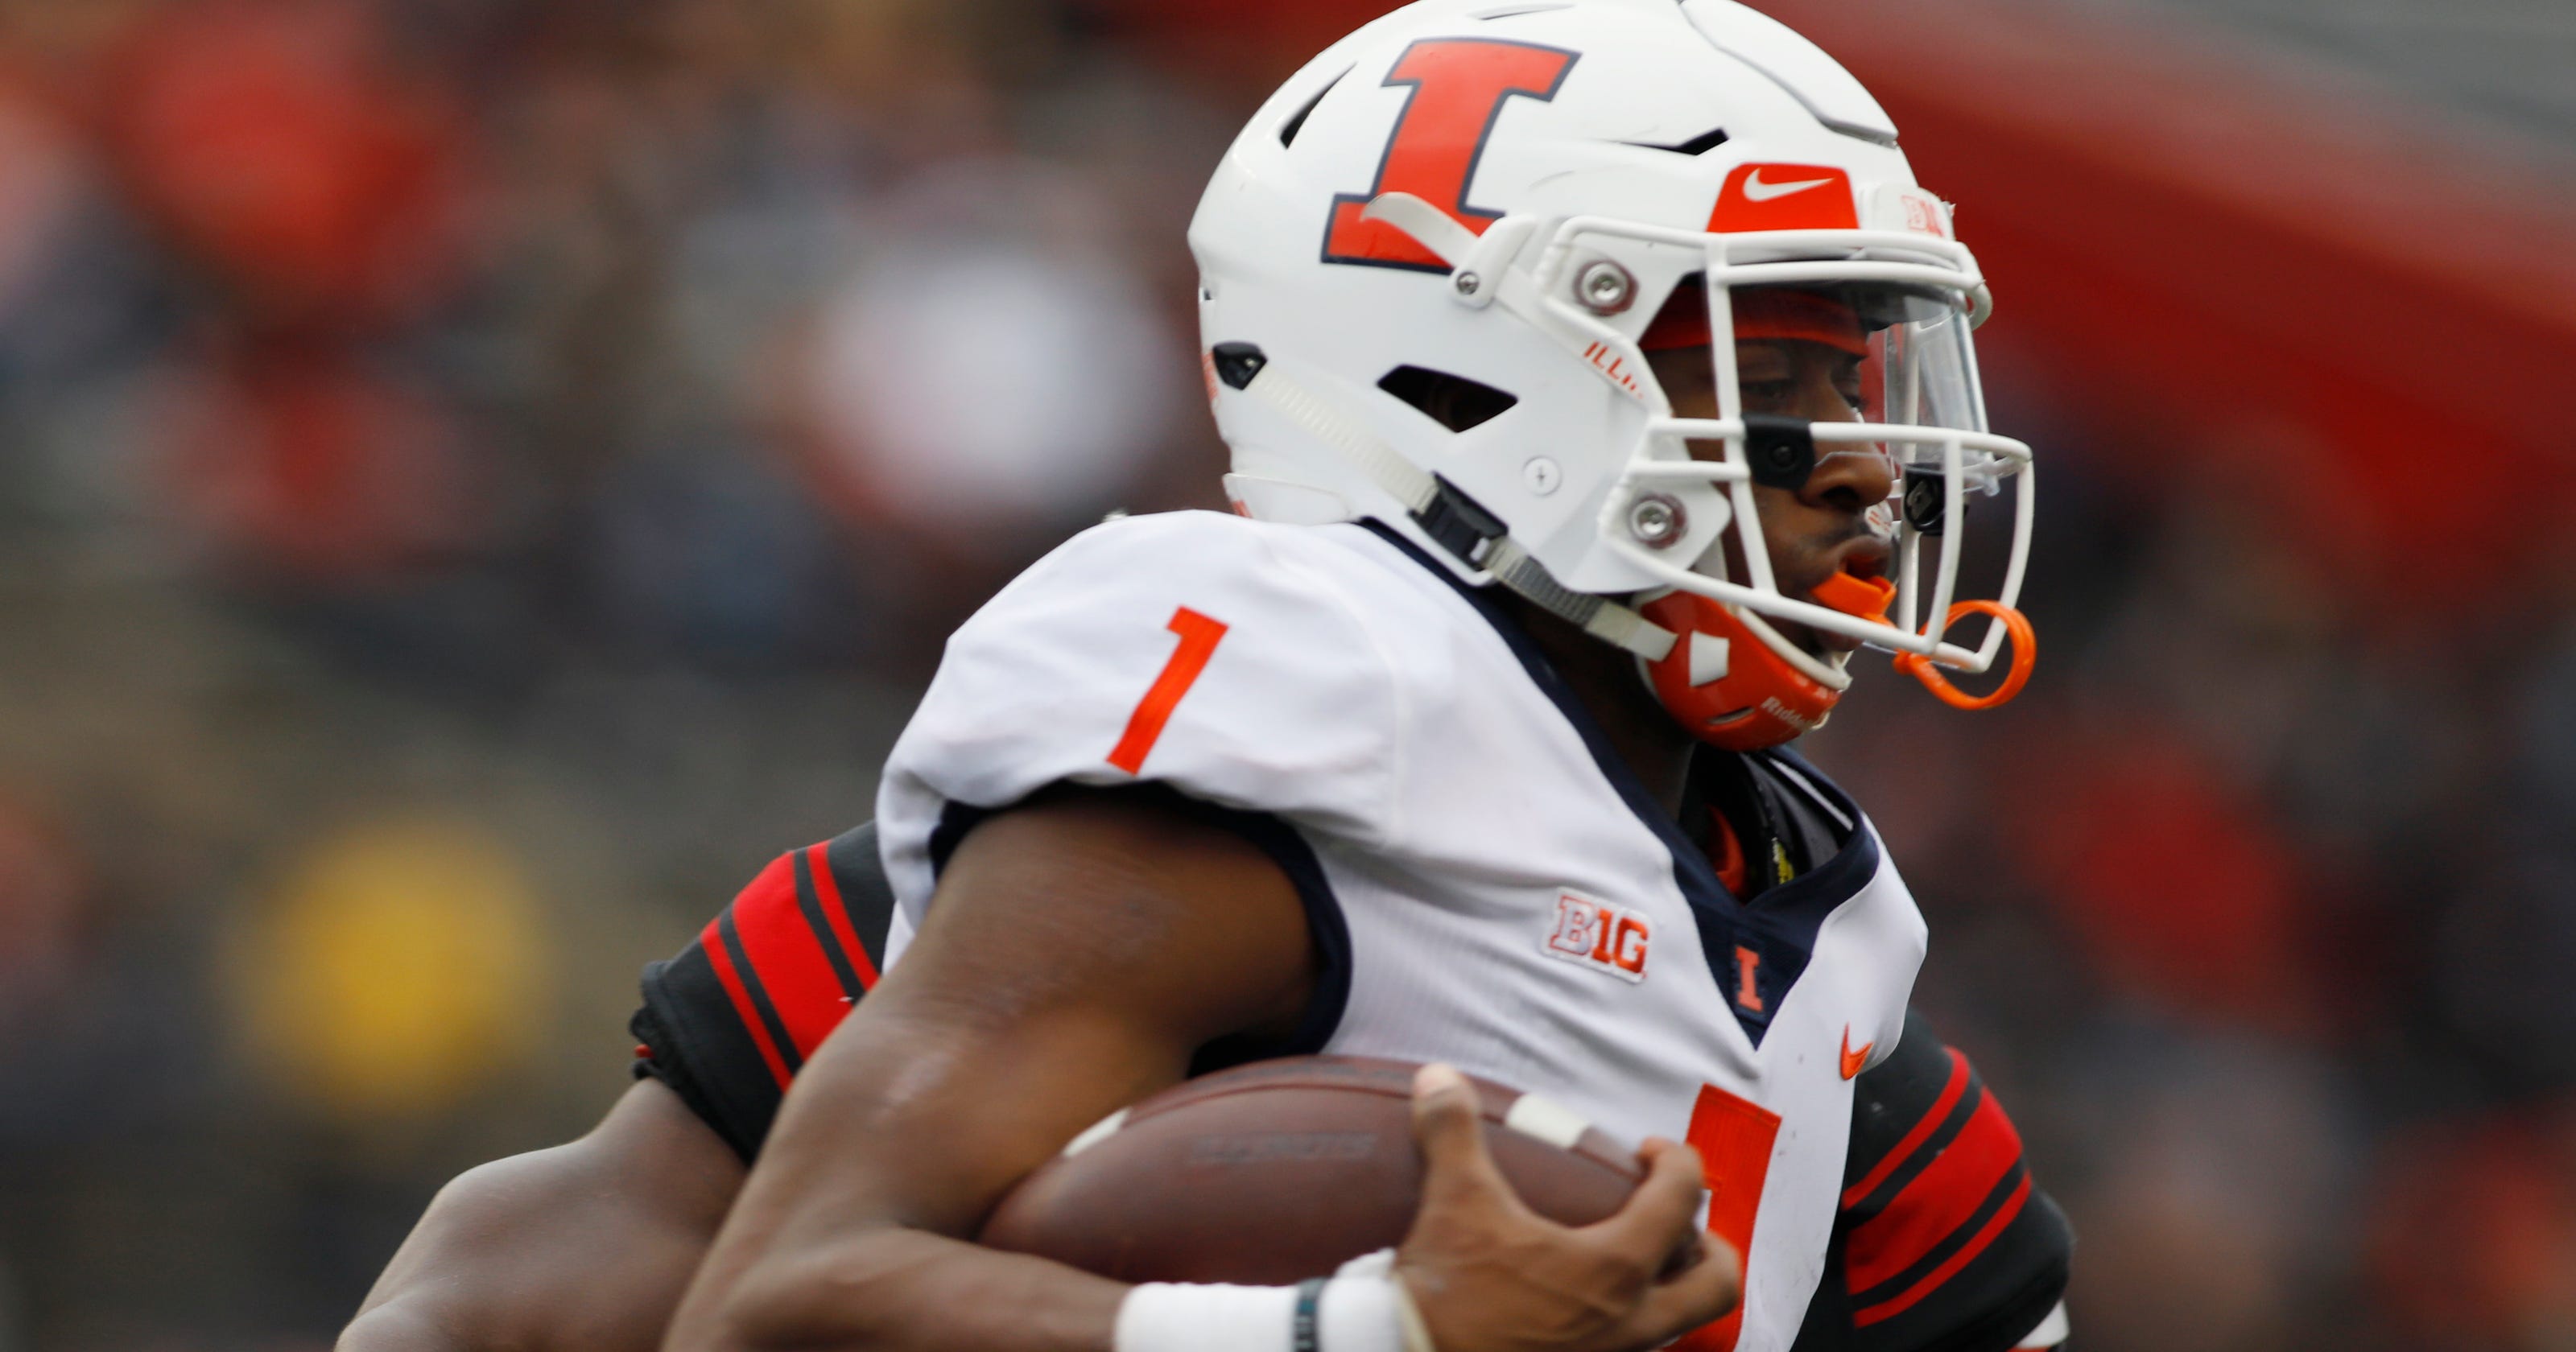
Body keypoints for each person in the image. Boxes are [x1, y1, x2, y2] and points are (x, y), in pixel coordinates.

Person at [349, 2, 2062, 1350]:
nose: (1861, 467)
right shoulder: (1291, 726)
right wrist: (1361, 1330)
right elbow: (744, 1299)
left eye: (1862, 375)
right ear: (1468, 366)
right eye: (1769, 368)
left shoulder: (1839, 980)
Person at [343, 828, 2070, 1352]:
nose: (1851, 453)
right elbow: (504, 1296)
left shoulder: (1868, 1108)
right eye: (1756, 381)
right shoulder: (1078, 883)